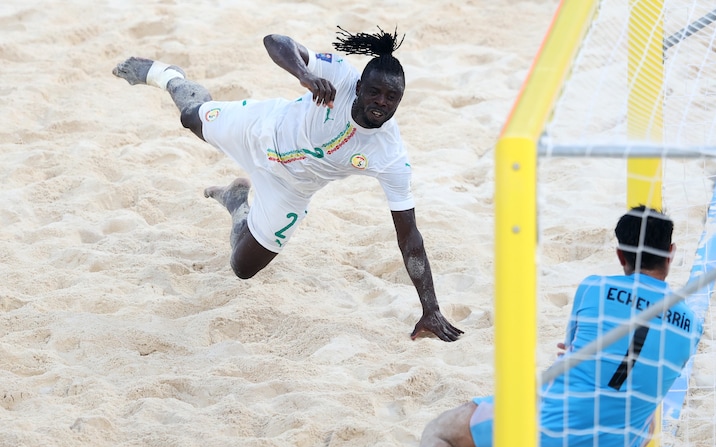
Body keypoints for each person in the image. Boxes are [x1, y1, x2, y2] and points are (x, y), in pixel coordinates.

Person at [112, 27, 463, 342]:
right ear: (359, 87)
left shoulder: (390, 155)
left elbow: (410, 236)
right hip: (261, 128)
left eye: (392, 98)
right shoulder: (338, 76)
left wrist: (430, 308)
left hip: (290, 189)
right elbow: (274, 41)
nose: (381, 103)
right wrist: (305, 75)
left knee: (242, 268)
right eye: (374, 92)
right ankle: (167, 76)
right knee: (190, 117)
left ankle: (237, 202)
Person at [413, 206, 703, 447]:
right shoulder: (690, 323)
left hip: (550, 436)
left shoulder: (593, 287)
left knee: (439, 434)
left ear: (621, 255)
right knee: (642, 414)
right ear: (671, 253)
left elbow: (568, 353)